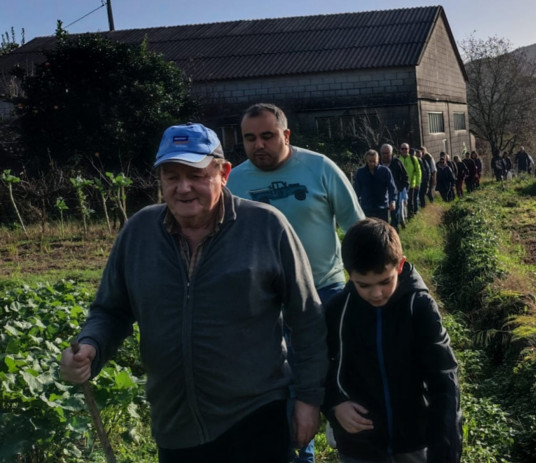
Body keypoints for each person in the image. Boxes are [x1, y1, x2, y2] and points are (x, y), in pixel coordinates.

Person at [59, 123, 327, 463]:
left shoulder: (266, 227)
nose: (183, 188)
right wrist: (91, 347)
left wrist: (308, 399)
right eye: (171, 177)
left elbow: (307, 318)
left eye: (196, 175)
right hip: (175, 423)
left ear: (224, 172)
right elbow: (110, 310)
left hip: (256, 417)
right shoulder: (139, 232)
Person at [227, 103, 364, 463]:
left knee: (338, 376)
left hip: (325, 293)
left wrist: (372, 285)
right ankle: (300, 453)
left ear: (286, 135)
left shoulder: (319, 168)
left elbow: (357, 229)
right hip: (266, 304)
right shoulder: (233, 182)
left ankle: (351, 437)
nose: (259, 145)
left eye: (268, 136)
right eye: (250, 138)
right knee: (285, 391)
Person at [322, 218, 462, 463]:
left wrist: (446, 449)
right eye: (363, 285)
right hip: (359, 445)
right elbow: (318, 365)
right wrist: (334, 404)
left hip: (415, 440)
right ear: (348, 273)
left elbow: (444, 377)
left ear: (400, 265)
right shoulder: (337, 311)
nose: (376, 293)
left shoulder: (418, 307)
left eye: (385, 281)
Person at [353, 149, 397, 223]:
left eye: (374, 161)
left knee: (383, 229)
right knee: (368, 230)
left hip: (382, 207)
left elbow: (391, 187)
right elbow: (357, 190)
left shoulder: (385, 171)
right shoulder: (360, 173)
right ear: (366, 160)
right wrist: (355, 204)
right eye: (370, 161)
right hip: (367, 207)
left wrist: (392, 201)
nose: (372, 163)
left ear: (378, 159)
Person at [379, 144, 408, 231]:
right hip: (381, 194)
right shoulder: (378, 164)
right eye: (383, 153)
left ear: (391, 153)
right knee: (383, 216)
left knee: (394, 215)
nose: (385, 155)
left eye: (387, 153)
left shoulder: (397, 162)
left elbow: (405, 177)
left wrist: (400, 189)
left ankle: (395, 233)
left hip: (395, 194)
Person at [399, 143, 422, 219]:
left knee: (410, 202)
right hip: (401, 186)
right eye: (403, 149)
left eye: (406, 149)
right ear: (400, 150)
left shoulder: (413, 159)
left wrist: (418, 183)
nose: (404, 150)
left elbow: (418, 171)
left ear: (408, 150)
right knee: (401, 202)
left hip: (412, 184)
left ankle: (411, 217)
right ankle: (402, 218)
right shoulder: (398, 159)